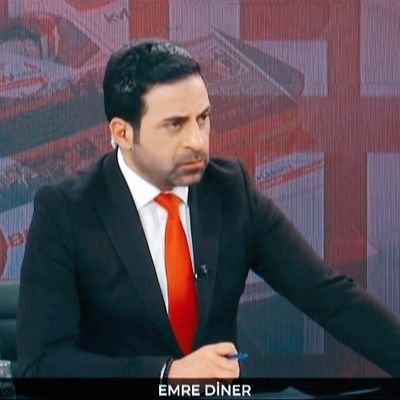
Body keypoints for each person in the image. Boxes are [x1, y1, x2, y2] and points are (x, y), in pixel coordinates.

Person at [17, 38, 400, 381]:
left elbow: (328, 296)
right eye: (175, 125)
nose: (198, 142)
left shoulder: (230, 190)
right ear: (123, 133)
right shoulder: (66, 211)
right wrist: (166, 374)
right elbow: (42, 364)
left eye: (203, 119)